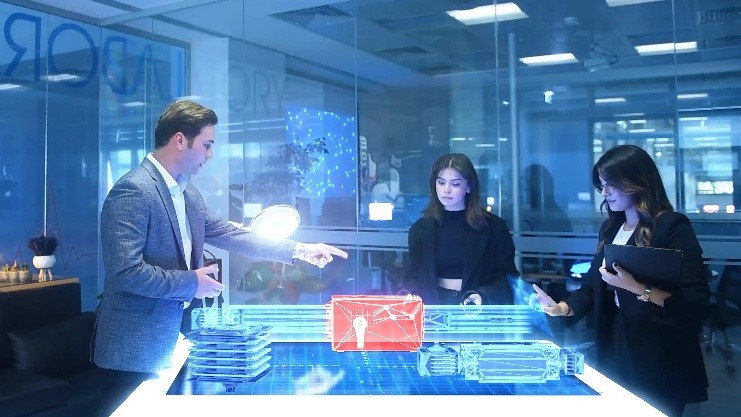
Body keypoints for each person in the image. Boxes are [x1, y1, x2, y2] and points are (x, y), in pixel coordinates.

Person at [93, 100, 348, 415]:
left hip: (171, 345)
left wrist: (299, 250)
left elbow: (230, 234)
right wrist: (191, 283)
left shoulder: (187, 193)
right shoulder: (133, 190)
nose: (210, 155)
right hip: (132, 351)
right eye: (207, 145)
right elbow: (125, 272)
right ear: (180, 140)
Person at [532, 144, 709, 417]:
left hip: (659, 352)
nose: (605, 193)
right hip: (614, 342)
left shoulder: (672, 226)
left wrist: (636, 288)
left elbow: (695, 301)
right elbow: (592, 285)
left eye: (612, 185)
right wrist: (562, 308)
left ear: (637, 182)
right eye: (602, 186)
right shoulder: (613, 228)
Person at [403, 153, 518, 305]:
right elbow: (412, 275)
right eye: (441, 182)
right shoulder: (420, 229)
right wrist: (411, 294)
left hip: (476, 308)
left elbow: (508, 278)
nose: (446, 190)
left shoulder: (494, 228)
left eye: (455, 184)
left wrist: (483, 296)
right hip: (434, 308)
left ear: (469, 186)